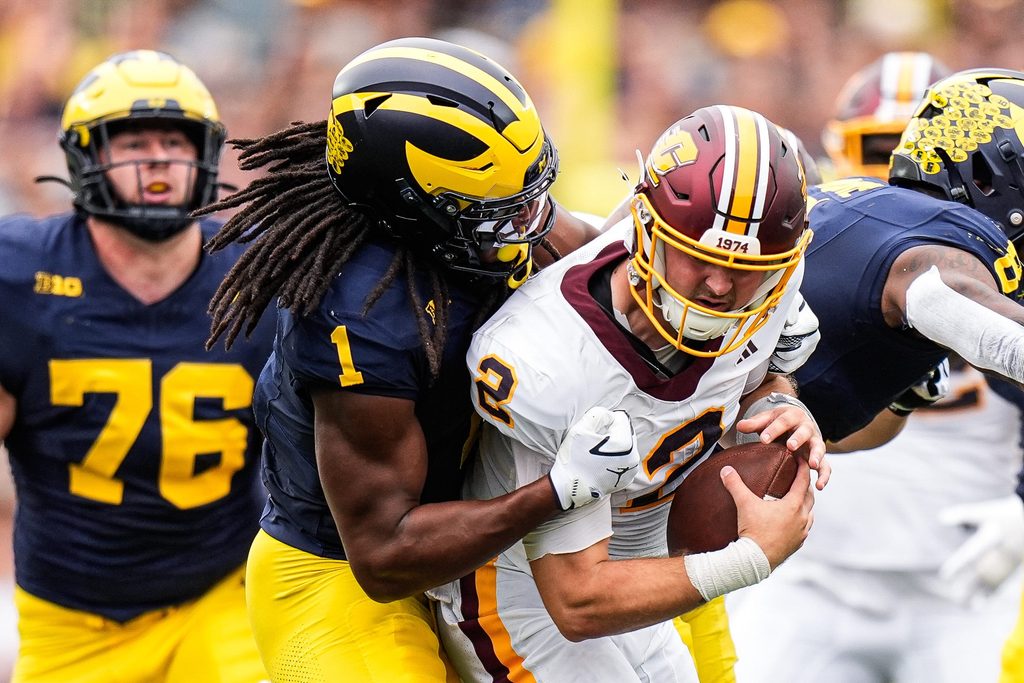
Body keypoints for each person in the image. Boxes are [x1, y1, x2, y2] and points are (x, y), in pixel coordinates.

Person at [196, 37, 637, 682]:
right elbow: (384, 553)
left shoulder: (484, 216)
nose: (532, 224)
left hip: (483, 553)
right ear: (413, 210)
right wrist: (555, 492)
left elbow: (604, 276)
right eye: (499, 213)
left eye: (531, 196)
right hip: (343, 577)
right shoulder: (357, 315)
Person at [430, 104, 830, 682]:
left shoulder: (774, 281)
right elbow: (578, 601)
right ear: (646, 228)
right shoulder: (546, 359)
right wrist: (750, 558)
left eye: (748, 269)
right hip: (523, 592)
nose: (720, 286)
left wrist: (780, 402)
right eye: (699, 257)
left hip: (637, 568)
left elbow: (751, 379)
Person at [729, 67, 1024, 682]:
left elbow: (855, 425)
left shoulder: (853, 216)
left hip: (949, 581)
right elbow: (970, 315)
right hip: (811, 574)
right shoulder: (938, 248)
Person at [0, 50, 272, 682]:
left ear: (204, 156)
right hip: (72, 617)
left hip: (221, 592)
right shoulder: (20, 277)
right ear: (86, 159)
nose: (157, 158)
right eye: (133, 142)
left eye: (175, 141)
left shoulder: (262, 272)